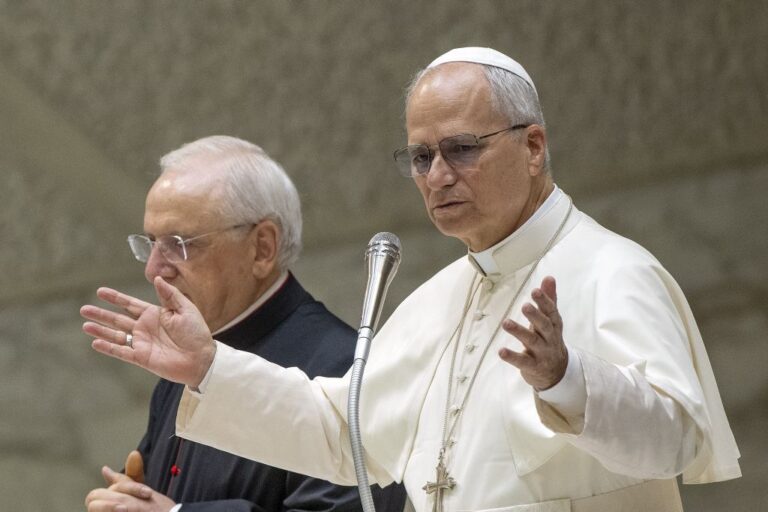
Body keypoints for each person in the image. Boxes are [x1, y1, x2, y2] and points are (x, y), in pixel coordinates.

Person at [82, 49, 741, 512]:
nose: (437, 176)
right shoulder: (434, 302)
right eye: (421, 157)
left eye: (461, 149)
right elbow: (345, 438)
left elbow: (679, 440)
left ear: (533, 146)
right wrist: (208, 366)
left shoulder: (613, 270)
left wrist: (568, 378)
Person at [82, 136, 406, 512]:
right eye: (151, 243)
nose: (153, 268)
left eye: (178, 243)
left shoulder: (347, 367)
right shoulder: (189, 352)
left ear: (262, 248)